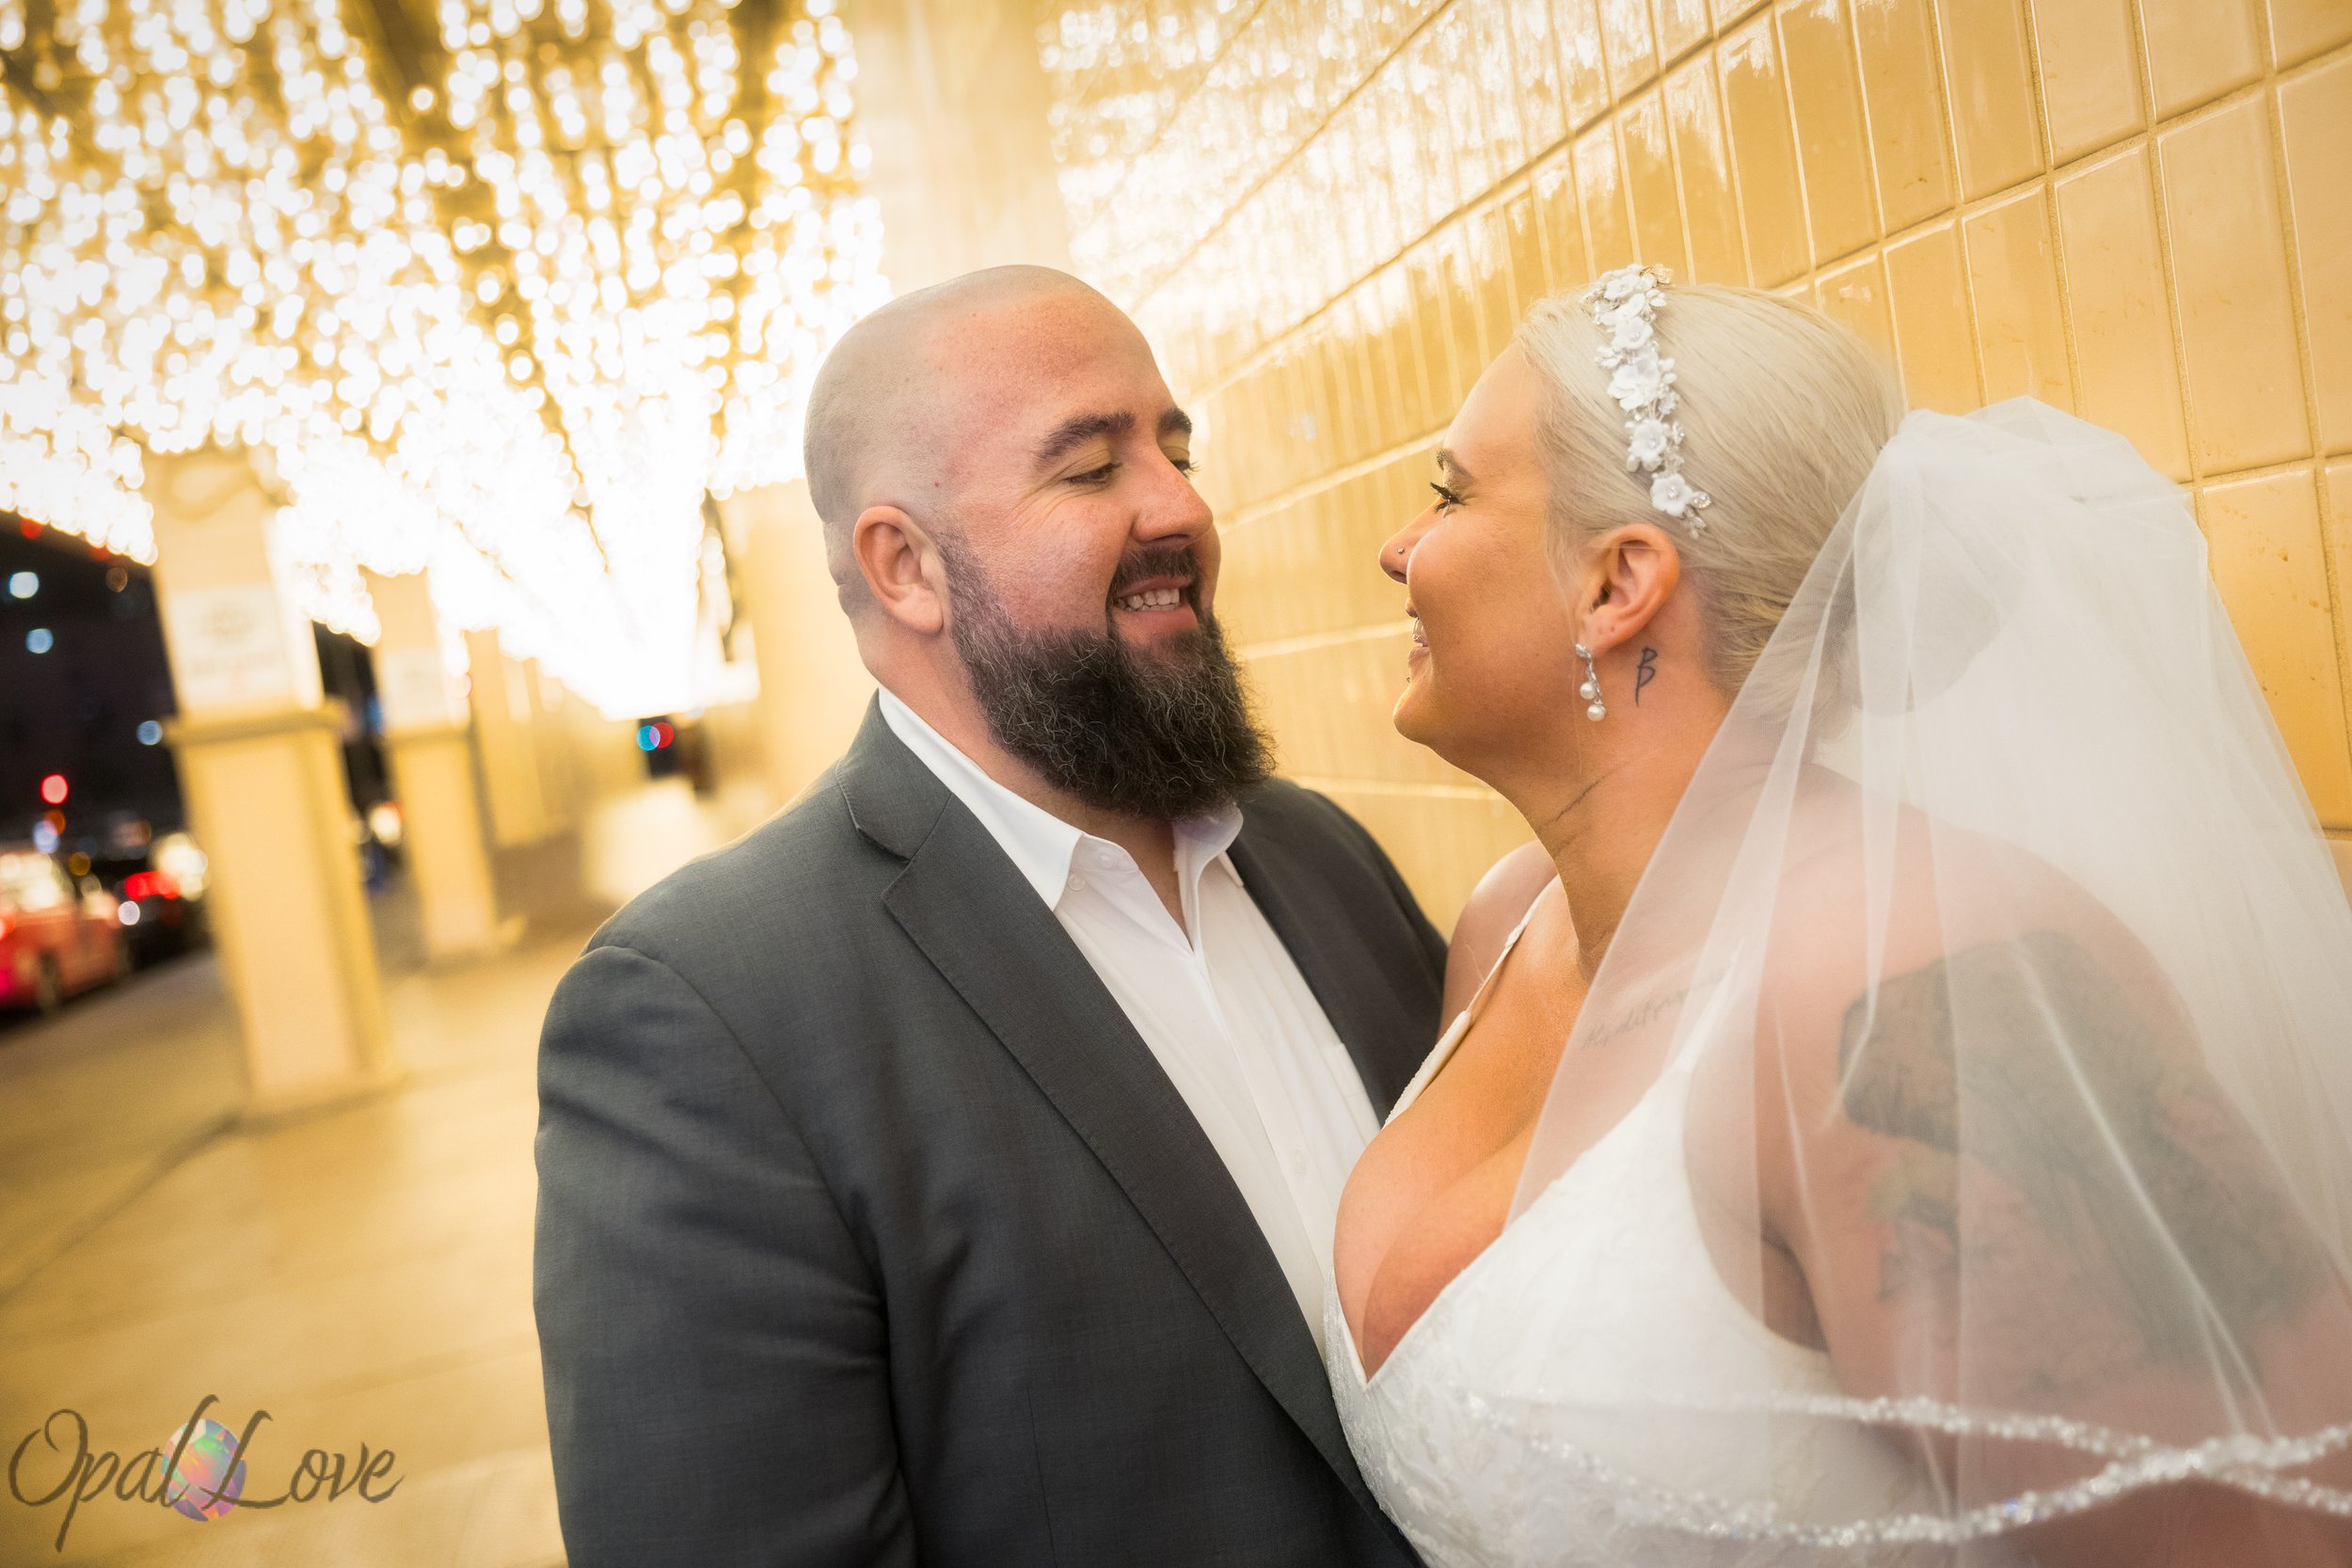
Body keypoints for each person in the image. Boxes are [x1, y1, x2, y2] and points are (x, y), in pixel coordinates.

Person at [1327, 265, 2352, 1566]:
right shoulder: (1510, 928)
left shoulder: (1918, 978)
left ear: (1617, 582)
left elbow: (2262, 1540)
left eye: (1448, 492)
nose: (1397, 547)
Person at [533, 264, 1438, 1566]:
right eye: (1089, 469)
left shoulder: (1319, 858)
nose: (1180, 506)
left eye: (1175, 450)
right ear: (904, 567)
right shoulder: (706, 1014)